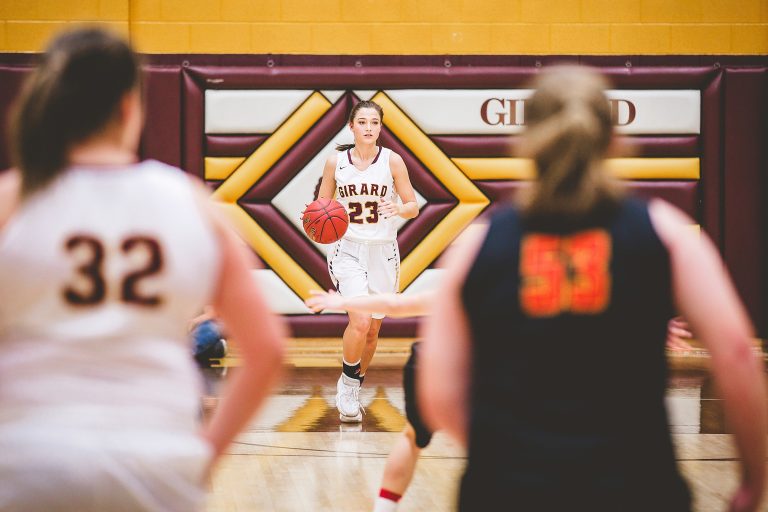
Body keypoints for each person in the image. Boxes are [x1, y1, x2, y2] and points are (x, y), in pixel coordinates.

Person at [418, 65, 766, 511]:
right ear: (613, 139)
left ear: (525, 143)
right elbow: (737, 353)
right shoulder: (666, 232)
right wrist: (755, 480)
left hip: (507, 489)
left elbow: (439, 396)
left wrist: (512, 451)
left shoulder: (477, 245)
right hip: (635, 485)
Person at [0, 28, 285, 511]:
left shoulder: (12, 199)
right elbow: (268, 351)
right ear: (129, 107)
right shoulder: (191, 202)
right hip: (158, 460)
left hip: (33, 459)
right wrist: (205, 457)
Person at [316, 100, 419, 423]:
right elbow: (321, 205)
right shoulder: (336, 163)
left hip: (384, 251)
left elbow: (412, 205)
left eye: (374, 122)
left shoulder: (392, 161)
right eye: (362, 122)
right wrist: (320, 219)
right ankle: (347, 386)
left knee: (372, 331)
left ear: (380, 127)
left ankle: (355, 382)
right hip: (349, 249)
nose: (369, 128)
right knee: (359, 321)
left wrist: (400, 209)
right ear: (351, 126)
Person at [306, 290, 430, 511]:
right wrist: (345, 301)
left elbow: (399, 305)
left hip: (456, 364)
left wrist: (341, 301)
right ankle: (348, 386)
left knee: (413, 437)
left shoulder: (473, 277)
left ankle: (385, 506)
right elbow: (398, 305)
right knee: (415, 435)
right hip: (471, 368)